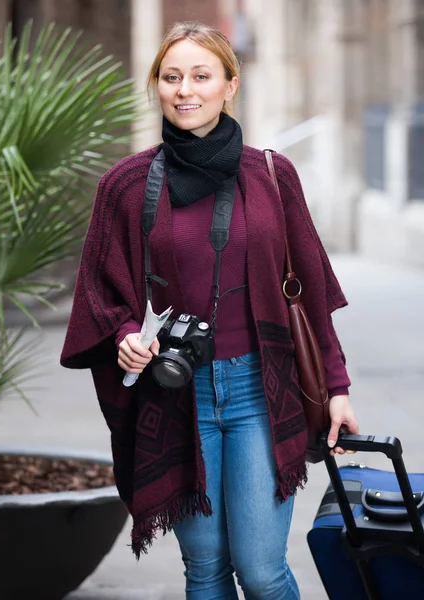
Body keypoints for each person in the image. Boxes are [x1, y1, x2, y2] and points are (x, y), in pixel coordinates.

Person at [61, 21, 359, 600]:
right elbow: (101, 293)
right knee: (205, 570)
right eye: (171, 77)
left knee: (261, 570)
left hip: (261, 390)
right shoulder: (125, 186)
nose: (185, 89)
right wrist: (125, 333)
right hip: (175, 394)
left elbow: (312, 296)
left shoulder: (271, 176)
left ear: (230, 84)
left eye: (201, 75)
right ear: (157, 86)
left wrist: (338, 387)